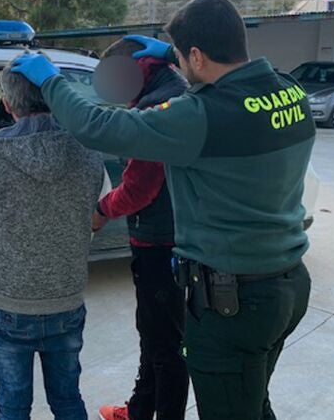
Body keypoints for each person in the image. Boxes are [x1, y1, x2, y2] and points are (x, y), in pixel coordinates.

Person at [11, 0, 315, 420]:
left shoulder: (200, 116)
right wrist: (173, 59)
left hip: (233, 302)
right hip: (288, 286)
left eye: (179, 53)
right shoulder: (291, 93)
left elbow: (99, 126)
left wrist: (51, 81)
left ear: (195, 55)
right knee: (251, 401)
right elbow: (238, 89)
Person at [0, 57, 104, 420]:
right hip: (65, 298)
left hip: (7, 302)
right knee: (68, 399)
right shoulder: (87, 147)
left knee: (12, 404)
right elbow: (93, 214)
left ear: (7, 104)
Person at [92, 38, 190, 420]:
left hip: (161, 242)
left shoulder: (155, 108)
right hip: (171, 235)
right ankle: (138, 410)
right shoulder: (174, 86)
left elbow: (139, 188)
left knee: (167, 346)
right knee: (153, 334)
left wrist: (101, 210)